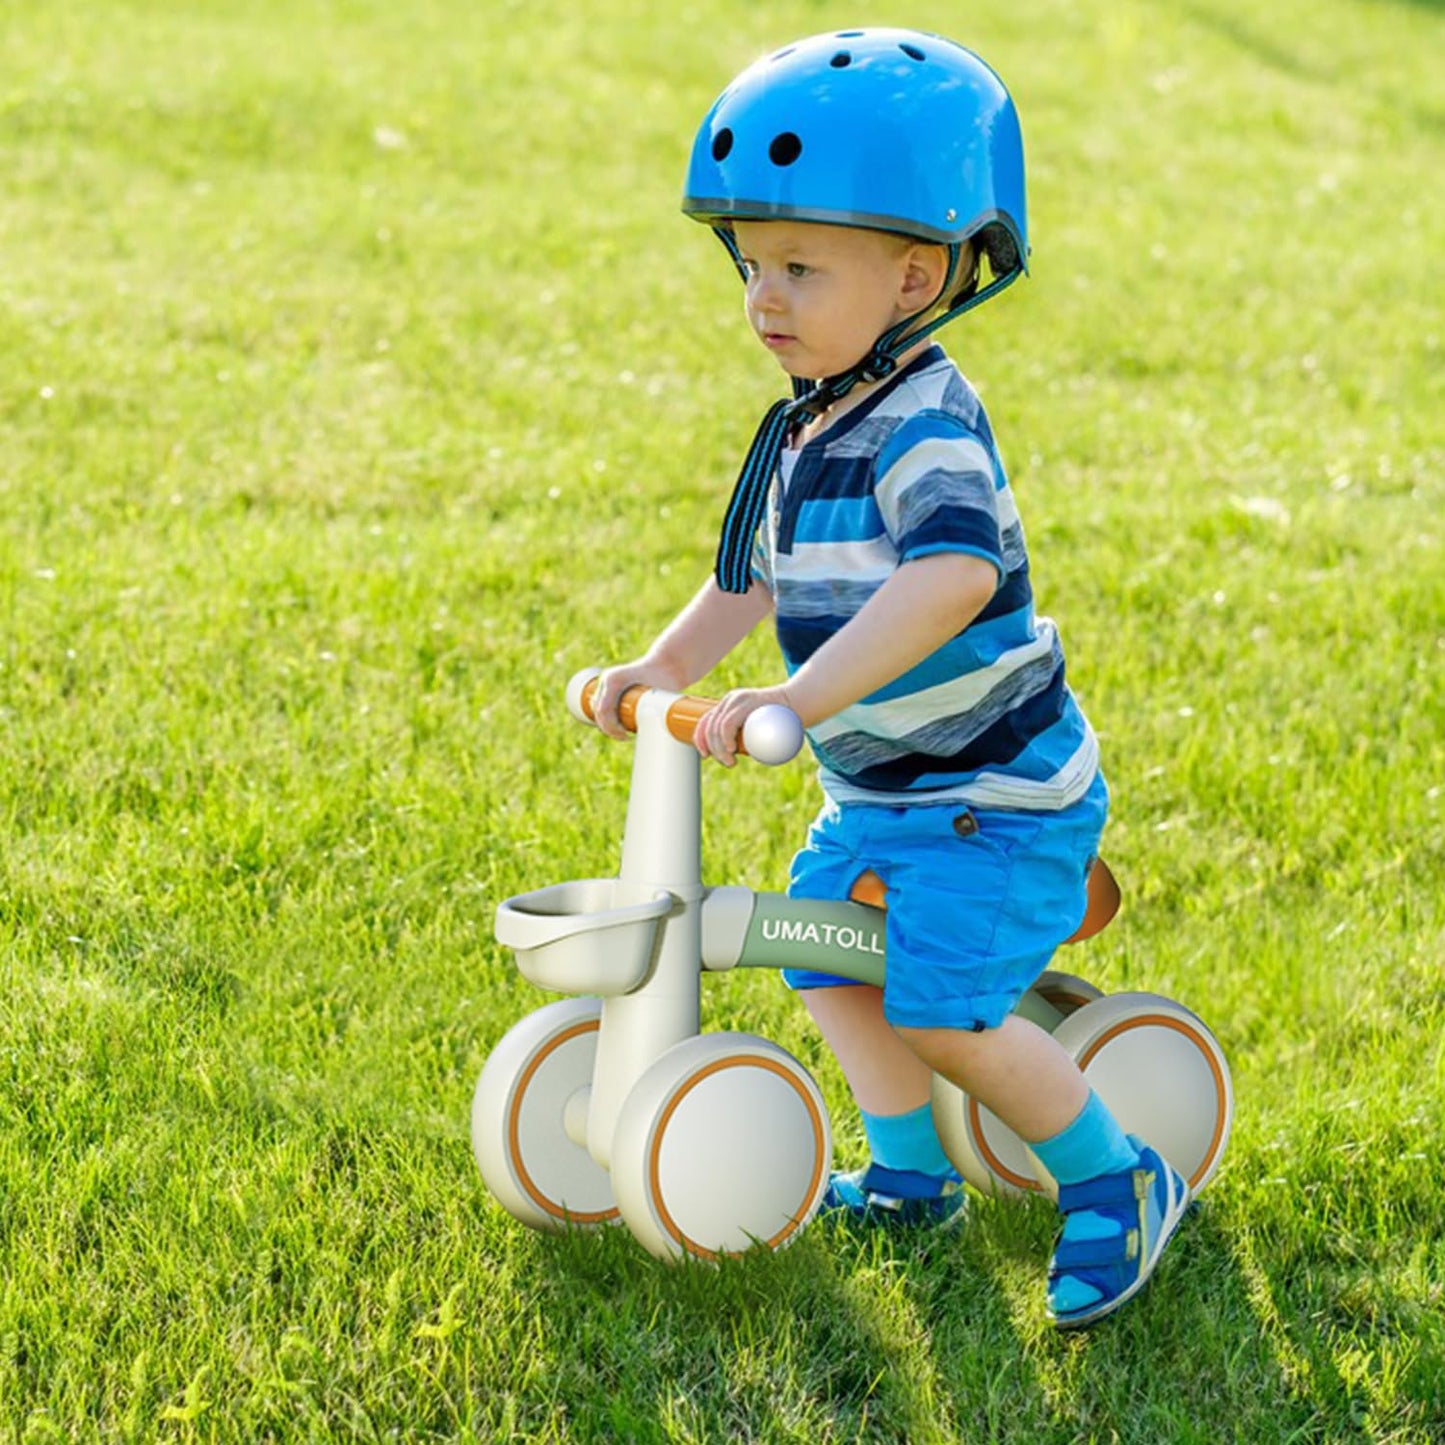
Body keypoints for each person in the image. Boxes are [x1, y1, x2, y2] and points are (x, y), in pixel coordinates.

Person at [590, 27, 1189, 1328]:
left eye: (801, 266)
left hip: (996, 791)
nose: (765, 298)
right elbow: (749, 575)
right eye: (752, 264)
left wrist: (797, 703)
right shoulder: (801, 422)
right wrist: (665, 666)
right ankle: (913, 1174)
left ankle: (1114, 1176)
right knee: (827, 964)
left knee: (934, 1005)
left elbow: (950, 579)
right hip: (885, 796)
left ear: (916, 274)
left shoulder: (922, 419)